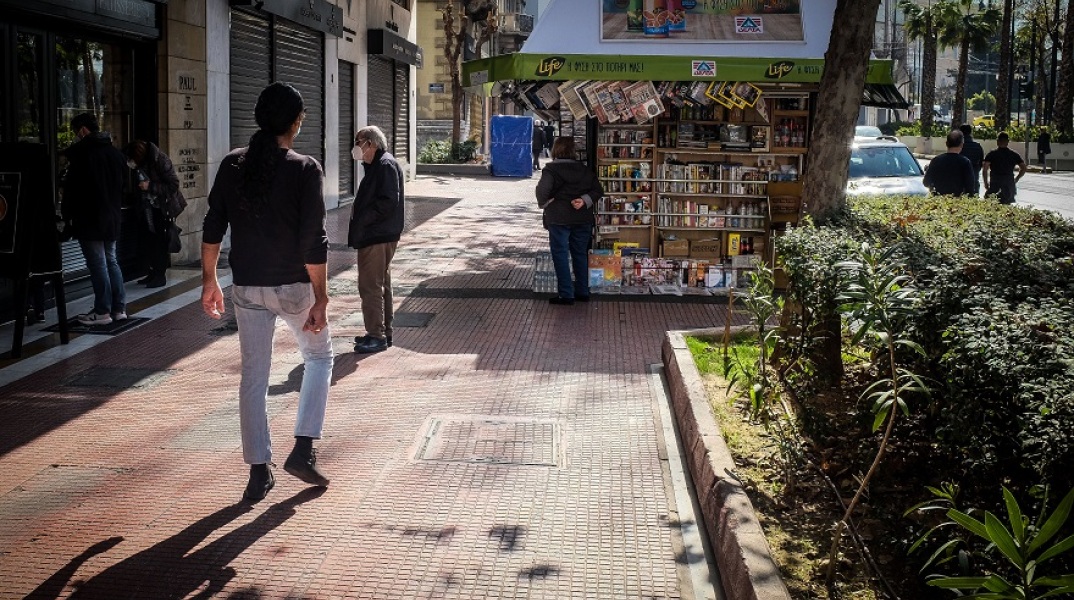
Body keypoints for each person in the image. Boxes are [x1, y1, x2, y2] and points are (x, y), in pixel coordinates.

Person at [201, 82, 333, 502]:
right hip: (294, 286)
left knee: (253, 377)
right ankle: (304, 448)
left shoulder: (233, 164)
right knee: (319, 357)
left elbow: (212, 226)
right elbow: (314, 241)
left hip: (247, 287)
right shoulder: (304, 168)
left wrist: (208, 280)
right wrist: (322, 297)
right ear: (295, 123)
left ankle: (259, 471)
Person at [61, 112, 128, 326]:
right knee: (111, 260)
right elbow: (123, 187)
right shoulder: (115, 154)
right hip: (112, 217)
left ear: (82, 130)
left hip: (90, 219)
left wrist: (67, 216)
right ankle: (119, 309)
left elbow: (72, 190)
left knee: (98, 263)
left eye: (75, 132)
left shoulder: (82, 155)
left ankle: (102, 312)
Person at [348, 125, 404, 354]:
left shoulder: (385, 165)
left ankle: (376, 335)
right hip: (378, 234)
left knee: (370, 286)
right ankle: (382, 331)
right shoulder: (378, 165)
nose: (356, 147)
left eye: (358, 141)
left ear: (370, 143)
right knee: (380, 285)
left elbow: (388, 201)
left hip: (377, 235)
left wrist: (363, 220)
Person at [535, 136, 602, 305]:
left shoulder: (550, 170)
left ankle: (566, 294)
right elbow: (598, 190)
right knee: (580, 254)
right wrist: (584, 200)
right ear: (573, 151)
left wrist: (546, 203)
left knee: (560, 255)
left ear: (555, 150)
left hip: (558, 218)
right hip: (582, 217)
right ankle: (583, 291)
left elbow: (542, 191)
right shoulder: (584, 169)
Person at [123, 140, 187, 288]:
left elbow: (173, 185)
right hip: (147, 209)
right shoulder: (140, 165)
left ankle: (160, 275)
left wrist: (150, 186)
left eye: (131, 159)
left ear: (138, 155)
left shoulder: (160, 160)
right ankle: (152, 272)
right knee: (148, 241)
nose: (130, 162)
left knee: (159, 242)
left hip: (162, 208)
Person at [922, 129, 975, 196]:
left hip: (938, 202)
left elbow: (926, 182)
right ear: (961, 145)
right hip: (958, 202)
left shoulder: (936, 160)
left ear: (946, 143)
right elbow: (970, 187)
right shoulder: (965, 162)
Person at [983, 132, 1027, 204]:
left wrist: (985, 183)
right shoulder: (1014, 154)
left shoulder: (991, 154)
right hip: (1009, 183)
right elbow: (1024, 168)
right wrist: (1017, 178)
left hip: (995, 183)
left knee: (990, 202)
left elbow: (985, 169)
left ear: (997, 141)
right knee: (1006, 204)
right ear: (1007, 142)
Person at [958, 124, 984, 196]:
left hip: (959, 180)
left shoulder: (958, 146)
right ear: (970, 132)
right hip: (974, 178)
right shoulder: (977, 146)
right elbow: (981, 163)